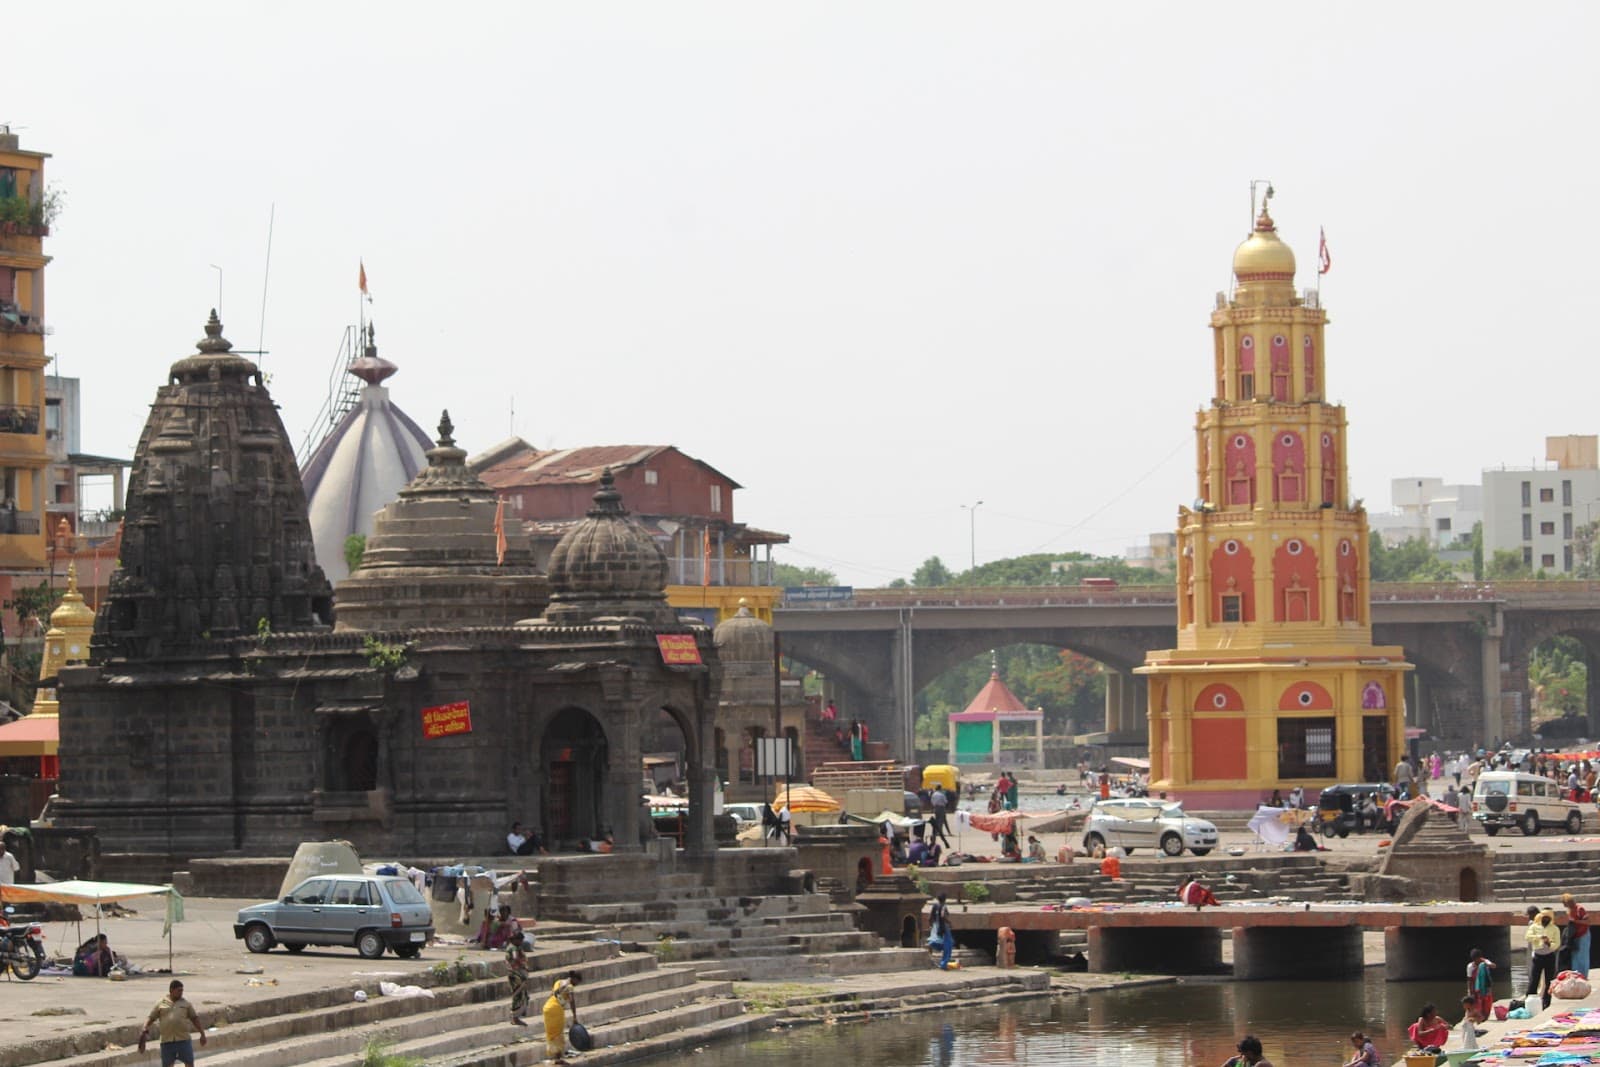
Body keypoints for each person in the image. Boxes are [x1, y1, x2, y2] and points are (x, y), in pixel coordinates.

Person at [138, 979, 207, 1065]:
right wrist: (144, 1027)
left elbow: (195, 1018)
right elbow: (151, 1017)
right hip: (167, 1042)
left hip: (183, 1040)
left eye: (182, 990)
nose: (181, 993)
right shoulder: (161, 1003)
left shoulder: (186, 1004)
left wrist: (202, 1034)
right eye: (179, 990)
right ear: (171, 990)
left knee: (189, 1062)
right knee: (168, 1064)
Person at [541, 970, 581, 1063]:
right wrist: (574, 1016)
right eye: (577, 982)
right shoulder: (570, 987)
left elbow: (552, 994)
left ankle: (555, 1057)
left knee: (551, 1033)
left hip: (548, 1006)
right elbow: (572, 1002)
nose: (577, 984)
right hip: (556, 1009)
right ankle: (558, 1058)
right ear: (574, 979)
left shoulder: (558, 982)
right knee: (558, 1034)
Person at [1526, 907, 1560, 1008]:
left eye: (1547, 918)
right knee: (1534, 980)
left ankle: (1546, 1002)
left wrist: (1550, 944)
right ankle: (1529, 1000)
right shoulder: (1534, 926)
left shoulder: (1555, 929)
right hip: (1538, 956)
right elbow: (1528, 936)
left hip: (1549, 956)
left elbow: (1557, 943)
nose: (1545, 919)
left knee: (1549, 980)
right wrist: (1539, 937)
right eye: (1544, 917)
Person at [1564, 892, 1591, 978]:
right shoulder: (1570, 911)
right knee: (1575, 955)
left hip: (1583, 934)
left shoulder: (1580, 909)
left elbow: (1587, 921)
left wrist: (1576, 921)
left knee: (1582, 955)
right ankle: (1576, 974)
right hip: (1575, 936)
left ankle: (1583, 975)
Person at [506, 934, 531, 1026]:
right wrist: (522, 964)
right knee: (518, 995)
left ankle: (516, 1017)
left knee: (522, 995)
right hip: (516, 975)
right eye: (520, 940)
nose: (521, 942)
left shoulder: (513, 947)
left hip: (516, 974)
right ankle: (514, 1018)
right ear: (515, 939)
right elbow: (515, 957)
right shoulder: (513, 948)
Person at [1468, 947, 1497, 1020]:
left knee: (1487, 1003)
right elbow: (1469, 980)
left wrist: (1485, 962)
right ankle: (1480, 1017)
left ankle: (1485, 1017)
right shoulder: (1470, 966)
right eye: (1475, 960)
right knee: (1478, 1003)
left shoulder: (1484, 963)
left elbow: (1493, 966)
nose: (1476, 961)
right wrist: (1470, 991)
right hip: (1476, 987)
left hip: (1486, 987)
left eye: (1478, 959)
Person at [929, 892, 955, 969]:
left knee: (936, 941)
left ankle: (934, 951)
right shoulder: (944, 906)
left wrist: (931, 926)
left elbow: (930, 917)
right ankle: (943, 964)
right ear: (945, 899)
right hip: (944, 927)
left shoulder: (935, 906)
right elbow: (943, 915)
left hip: (936, 927)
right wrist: (949, 923)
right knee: (948, 945)